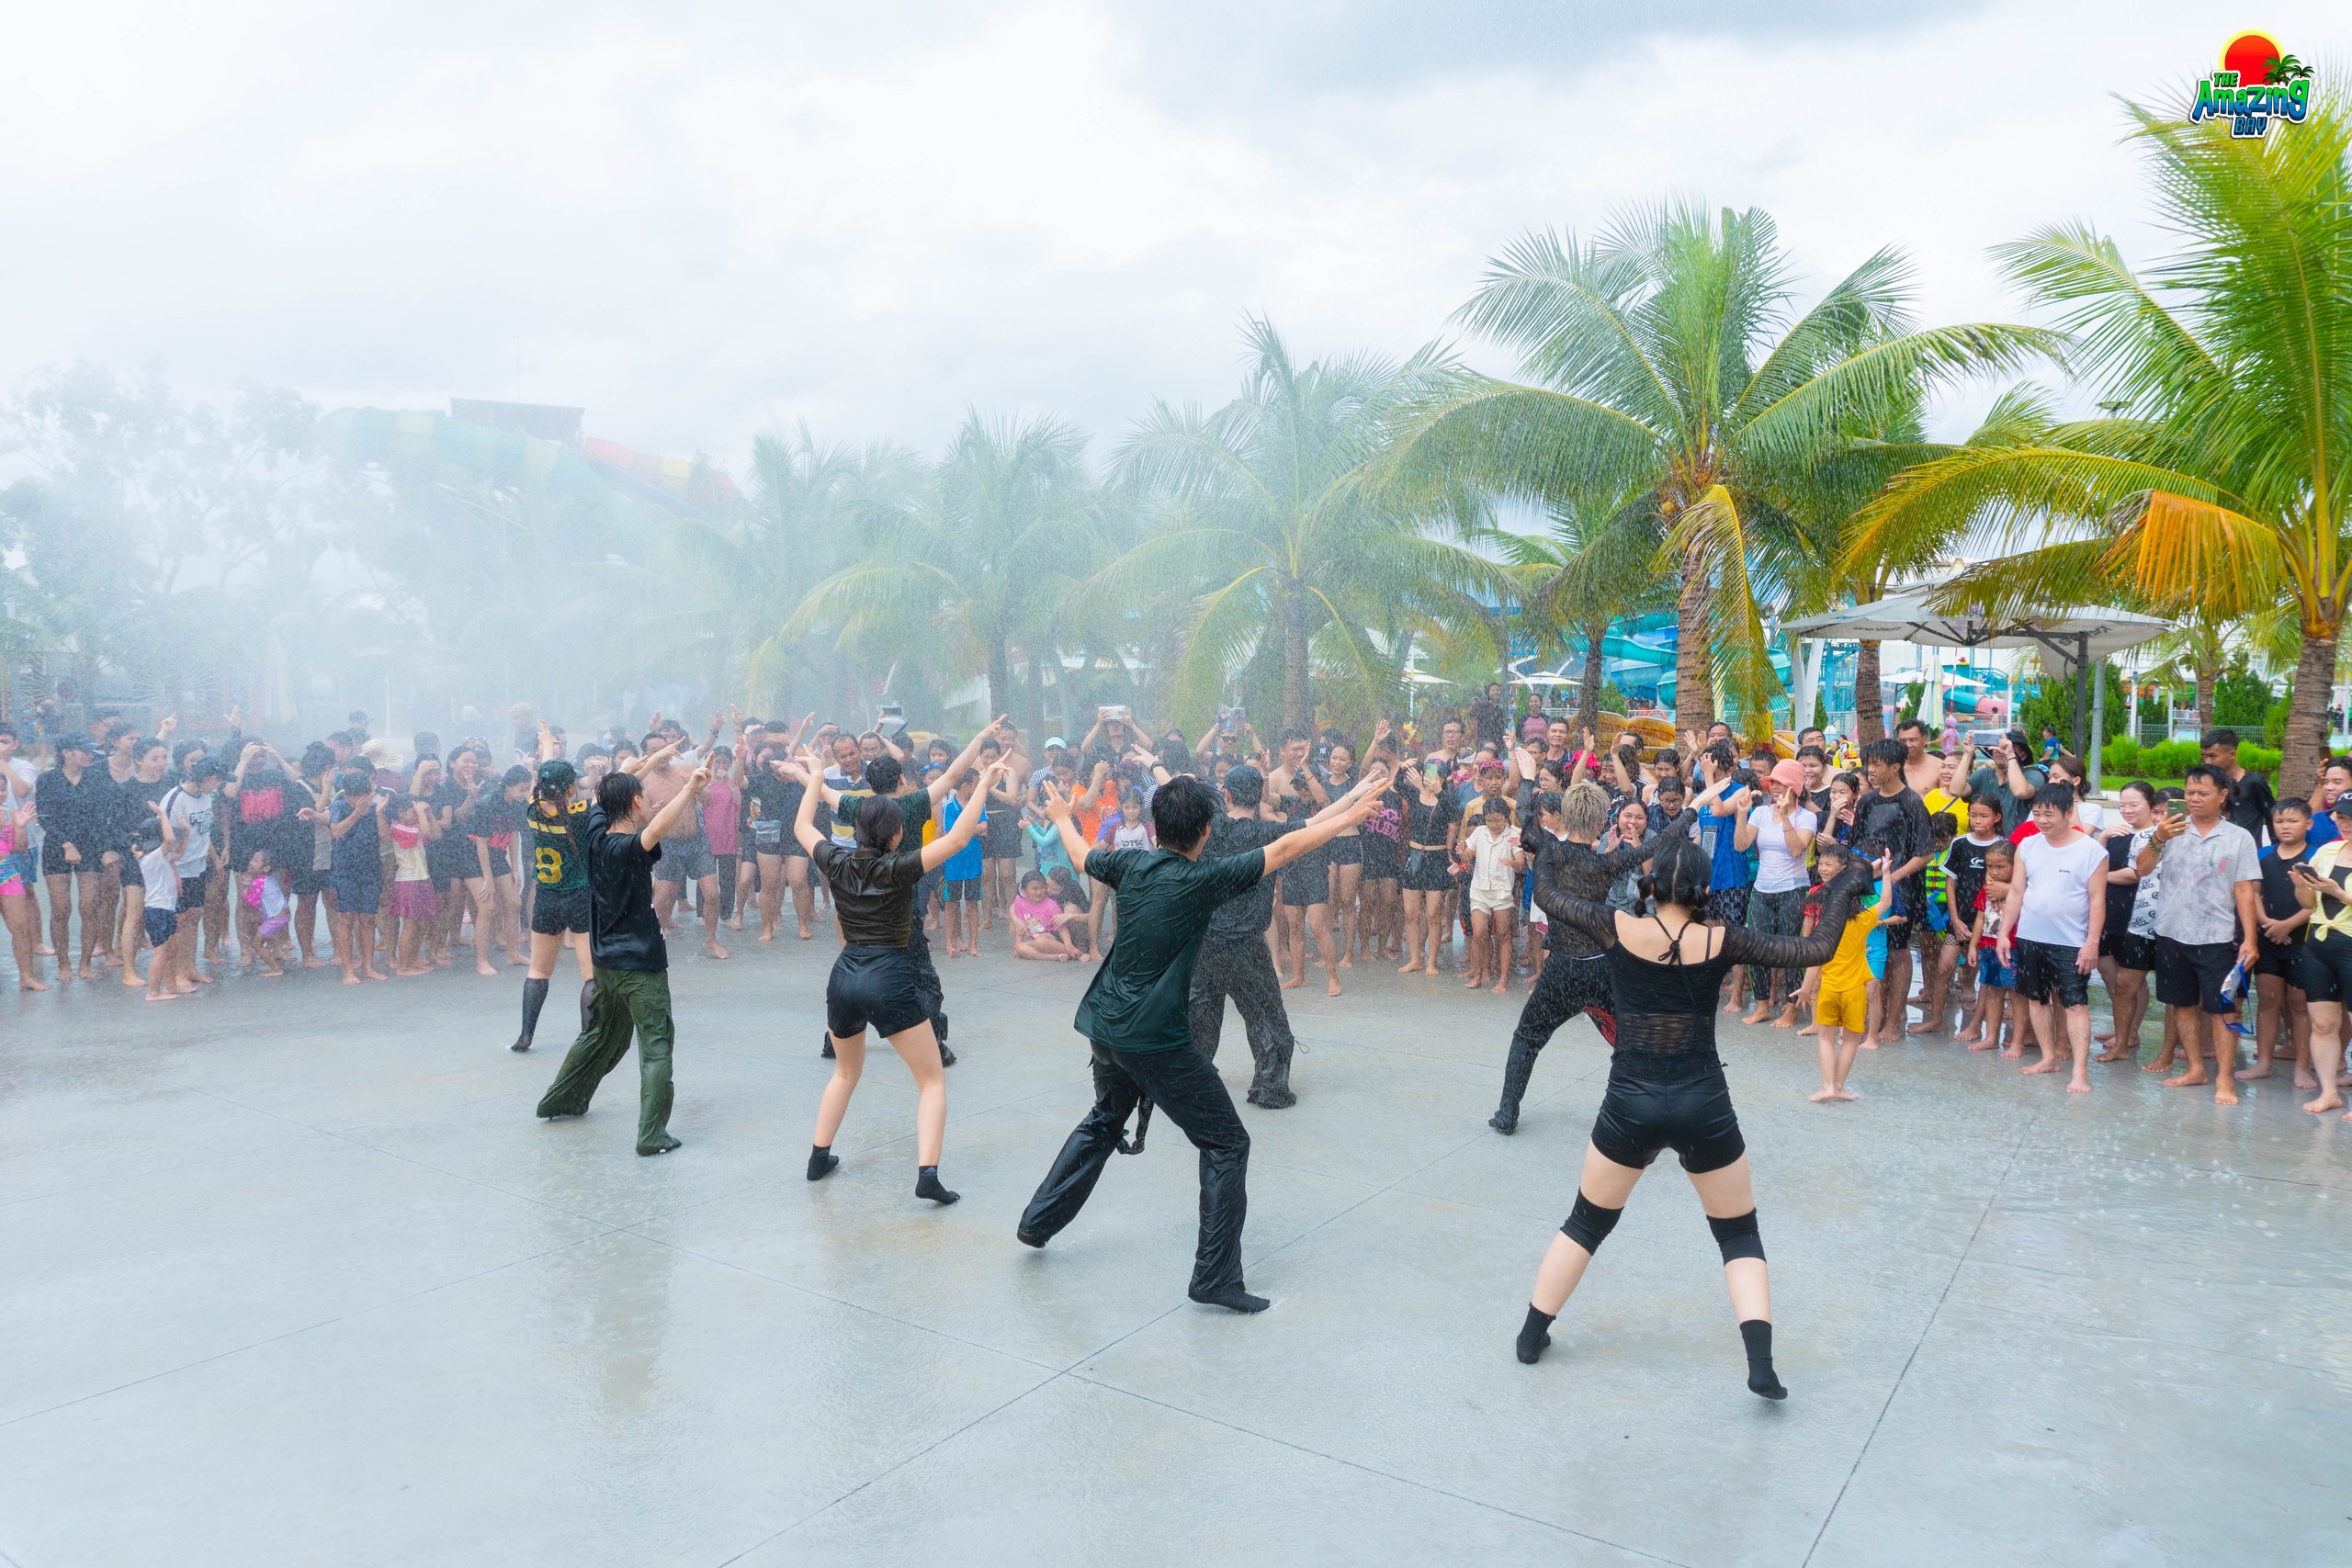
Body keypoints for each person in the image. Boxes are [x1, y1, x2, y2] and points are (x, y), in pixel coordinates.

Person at [1016, 766, 1388, 1314]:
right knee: (1227, 1144)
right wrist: (1351, 817)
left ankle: (1036, 1222)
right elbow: (1285, 848)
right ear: (1206, 832)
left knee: (1104, 1118)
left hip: (1105, 1025)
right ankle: (1214, 1277)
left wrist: (1061, 817)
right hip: (1152, 1037)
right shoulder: (1201, 879)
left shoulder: (1130, 863)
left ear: (1157, 827)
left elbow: (1076, 855)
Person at [1512, 834, 1867, 1397]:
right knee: (1738, 1236)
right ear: (1703, 890)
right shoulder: (1724, 940)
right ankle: (1760, 1366)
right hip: (1704, 1105)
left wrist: (1547, 844)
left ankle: (1531, 1338)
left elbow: (1551, 895)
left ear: (1651, 884)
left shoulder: (1615, 926)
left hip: (1630, 1103)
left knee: (1584, 1224)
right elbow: (1817, 949)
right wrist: (1848, 882)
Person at [786, 754, 1006, 1201]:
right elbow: (961, 837)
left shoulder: (838, 862)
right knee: (930, 1081)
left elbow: (801, 827)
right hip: (889, 977)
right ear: (898, 833)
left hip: (845, 976)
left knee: (845, 1075)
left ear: (858, 831)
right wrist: (982, 783)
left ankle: (817, 1159)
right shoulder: (900, 867)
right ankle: (927, 1176)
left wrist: (813, 778)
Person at [1489, 782, 1695, 1134]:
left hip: (1562, 969)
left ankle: (1507, 1115)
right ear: (1603, 820)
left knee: (1527, 1039)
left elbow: (1526, 821)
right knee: (1633, 1041)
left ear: (1565, 816)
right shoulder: (1607, 863)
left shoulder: (1551, 851)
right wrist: (1689, 811)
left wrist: (1526, 780)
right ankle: (1667, 1110)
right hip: (1602, 967)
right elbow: (1661, 841)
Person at [533, 757, 714, 1156]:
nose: (650, 803)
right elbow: (657, 829)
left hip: (605, 964)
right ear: (634, 803)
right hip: (639, 967)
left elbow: (601, 796)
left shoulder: (596, 830)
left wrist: (631, 769)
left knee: (599, 1035)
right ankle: (652, 1135)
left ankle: (559, 1100)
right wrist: (689, 789)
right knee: (656, 1046)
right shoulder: (626, 846)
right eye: (646, 797)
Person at [1185, 764, 1311, 1108]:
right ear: (1259, 797)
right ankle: (1270, 1087)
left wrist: (1154, 764)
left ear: (1226, 794)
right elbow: (1316, 825)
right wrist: (1355, 802)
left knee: (1201, 1014)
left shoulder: (1209, 830)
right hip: (1245, 946)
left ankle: (1191, 1084)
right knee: (1265, 1014)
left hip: (1205, 943)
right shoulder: (1266, 834)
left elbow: (1181, 785)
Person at [2136, 764, 2261, 1105]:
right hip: (2171, 931)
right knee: (2181, 1005)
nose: (2193, 799)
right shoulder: (2171, 828)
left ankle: (2224, 1078)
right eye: (2189, 792)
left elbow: (2245, 891)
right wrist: (2159, 836)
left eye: (2202, 793)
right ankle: (2195, 1068)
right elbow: (2142, 869)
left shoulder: (2239, 838)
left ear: (2222, 796)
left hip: (2218, 937)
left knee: (2225, 1011)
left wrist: (2250, 939)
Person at [1996, 782, 2108, 1093]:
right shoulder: (2028, 845)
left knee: (2075, 1004)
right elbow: (2017, 892)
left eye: (2049, 814)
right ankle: (2048, 1058)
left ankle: (2080, 1073)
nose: (2042, 821)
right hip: (2031, 936)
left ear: (2069, 812)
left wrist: (2092, 943)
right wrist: (2005, 933)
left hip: (2072, 941)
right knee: (2036, 998)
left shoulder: (2091, 850)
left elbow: (2098, 900)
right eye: (2036, 814)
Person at [511, 759, 597, 1052]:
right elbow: (611, 793)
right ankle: (588, 1039)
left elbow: (545, 778)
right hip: (580, 897)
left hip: (546, 898)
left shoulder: (532, 809)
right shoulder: (581, 813)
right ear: (571, 787)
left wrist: (546, 746)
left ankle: (525, 1035)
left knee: (538, 970)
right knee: (591, 975)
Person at [1853, 739, 1933, 1050]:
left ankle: (1893, 1018)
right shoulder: (1868, 801)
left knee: (1898, 953)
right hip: (1868, 885)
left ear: (1896, 767)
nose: (1870, 770)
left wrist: (1891, 877)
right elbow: (1858, 845)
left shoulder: (1911, 802)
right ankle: (1874, 1014)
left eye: (1877, 764)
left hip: (1902, 886)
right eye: (1868, 763)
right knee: (1872, 951)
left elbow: (1924, 853)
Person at [1735, 760, 1817, 1026]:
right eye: (1772, 783)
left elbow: (1797, 850)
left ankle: (1791, 1009)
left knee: (1790, 951)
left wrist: (1784, 818)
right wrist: (1741, 814)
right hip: (1762, 890)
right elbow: (1741, 845)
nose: (1774, 788)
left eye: (1780, 783)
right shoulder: (1759, 813)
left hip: (1793, 890)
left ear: (1793, 787)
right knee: (1756, 948)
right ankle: (1762, 1006)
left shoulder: (1807, 817)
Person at [1807, 841, 1893, 1101]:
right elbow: (1886, 901)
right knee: (1851, 1040)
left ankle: (1827, 1087)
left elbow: (1815, 960)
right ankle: (1840, 1086)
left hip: (1830, 988)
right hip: (1855, 989)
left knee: (1825, 1039)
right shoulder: (1863, 920)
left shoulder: (1826, 926)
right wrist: (1886, 872)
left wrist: (1805, 987)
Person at [2243, 798, 2314, 1084]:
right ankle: (2264, 1062)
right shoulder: (2264, 855)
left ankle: (2302, 1066)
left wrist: (2287, 925)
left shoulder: (2315, 858)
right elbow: (2253, 892)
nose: (2285, 827)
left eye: (2293, 821)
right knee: (2268, 1001)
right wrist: (2266, 923)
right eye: (2279, 821)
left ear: (2308, 824)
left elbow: (2317, 904)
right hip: (2268, 937)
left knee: (2300, 1005)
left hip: (2302, 941)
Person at [37, 735, 119, 981]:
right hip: (56, 846)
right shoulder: (48, 780)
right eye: (83, 751)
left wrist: (106, 848)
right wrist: (66, 844)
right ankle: (64, 964)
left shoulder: (95, 778)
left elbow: (104, 815)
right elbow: (45, 817)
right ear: (66, 752)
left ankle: (85, 963)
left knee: (90, 907)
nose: (89, 755)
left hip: (91, 846)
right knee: (61, 909)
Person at [2290, 795, 2352, 1117]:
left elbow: (2336, 896)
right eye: (2341, 817)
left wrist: (2339, 893)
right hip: (2318, 943)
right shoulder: (2327, 851)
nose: (2345, 824)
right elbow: (2308, 904)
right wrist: (2302, 884)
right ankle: (2329, 1092)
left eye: (2350, 818)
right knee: (2323, 1023)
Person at [2094, 782, 2159, 1063]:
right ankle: (2122, 1025)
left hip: (2136, 910)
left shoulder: (2154, 836)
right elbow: (2093, 859)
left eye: (2135, 804)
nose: (2128, 810)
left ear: (2150, 806)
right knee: (2107, 969)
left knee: (2131, 976)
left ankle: (2131, 1031)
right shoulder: (2117, 832)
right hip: (2108, 908)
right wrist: (2105, 835)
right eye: (2123, 805)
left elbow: (2137, 874)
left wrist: (2101, 877)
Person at [1459, 801, 1524, 993]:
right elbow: (1467, 855)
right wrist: (1462, 852)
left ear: (1506, 818)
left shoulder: (1512, 836)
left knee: (1503, 934)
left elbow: (1521, 863)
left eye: (1498, 820)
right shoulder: (1479, 832)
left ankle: (1503, 978)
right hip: (1479, 890)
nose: (1493, 824)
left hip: (1502, 891)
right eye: (1489, 820)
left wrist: (1512, 862)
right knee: (1479, 933)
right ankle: (1478, 974)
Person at [1963, 840, 2018, 1055]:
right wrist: (1973, 946)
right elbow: (1979, 917)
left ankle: (2018, 1040)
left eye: (2001, 867)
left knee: (2016, 994)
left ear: (2016, 866)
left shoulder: (2018, 890)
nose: (1994, 872)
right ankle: (1991, 1037)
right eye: (1990, 867)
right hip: (1988, 945)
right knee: (1993, 991)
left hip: (2013, 947)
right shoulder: (1987, 889)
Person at [2202, 728, 2275, 848]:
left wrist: (2275, 851)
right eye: (2204, 756)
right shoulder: (2207, 784)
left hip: (2247, 851)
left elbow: (2272, 816)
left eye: (2212, 756)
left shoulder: (2254, 783)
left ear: (2232, 754)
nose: (2207, 762)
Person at [1011, 870, 1085, 960]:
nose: (1039, 892)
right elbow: (1020, 927)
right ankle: (1056, 957)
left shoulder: (1051, 904)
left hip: (1052, 938)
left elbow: (1062, 929)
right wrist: (1018, 944)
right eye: (1034, 889)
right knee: (1019, 947)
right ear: (1025, 890)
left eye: (1041, 888)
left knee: (1041, 941)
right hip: (1037, 939)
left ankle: (1076, 953)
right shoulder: (1020, 900)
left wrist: (1068, 944)